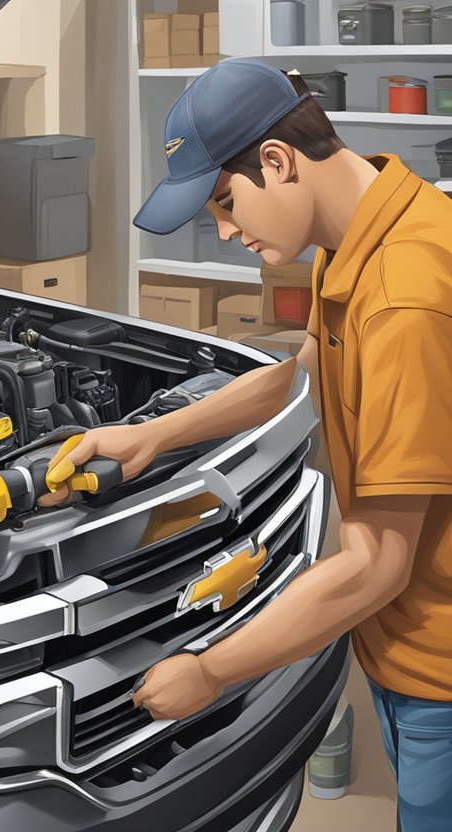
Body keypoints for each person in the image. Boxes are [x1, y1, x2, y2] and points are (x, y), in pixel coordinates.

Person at [37, 58, 452, 831]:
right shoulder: (362, 227)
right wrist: (152, 434)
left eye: (225, 203)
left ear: (277, 160)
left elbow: (376, 564)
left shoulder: (405, 295)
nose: (226, 230)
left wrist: (210, 671)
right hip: (406, 651)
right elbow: (302, 375)